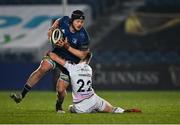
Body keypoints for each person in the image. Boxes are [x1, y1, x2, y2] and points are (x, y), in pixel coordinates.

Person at [10, 10, 90, 113]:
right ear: (72, 20)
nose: (80, 24)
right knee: (43, 67)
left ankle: (59, 105)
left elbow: (83, 55)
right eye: (78, 21)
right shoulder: (65, 20)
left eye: (82, 22)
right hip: (56, 54)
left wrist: (67, 46)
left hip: (69, 64)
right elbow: (58, 21)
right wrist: (51, 29)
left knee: (61, 90)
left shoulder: (83, 36)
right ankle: (22, 94)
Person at [47, 51, 141, 113]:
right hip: (94, 98)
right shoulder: (89, 69)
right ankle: (124, 111)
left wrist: (50, 53)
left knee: (71, 108)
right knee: (112, 109)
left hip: (82, 104)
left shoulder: (72, 68)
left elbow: (55, 58)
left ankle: (91, 110)